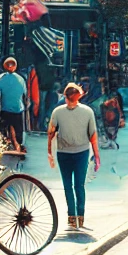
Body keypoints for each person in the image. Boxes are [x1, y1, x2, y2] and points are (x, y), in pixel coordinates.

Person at [47, 81, 100, 230]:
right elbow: (93, 136)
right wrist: (96, 156)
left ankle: (72, 217)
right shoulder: (87, 111)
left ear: (65, 96)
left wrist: (49, 152)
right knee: (79, 186)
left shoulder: (57, 112)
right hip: (81, 153)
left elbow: (50, 134)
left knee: (68, 186)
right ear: (79, 96)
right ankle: (79, 217)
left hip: (64, 153)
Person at [0, 56, 27, 154]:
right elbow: (25, 95)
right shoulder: (21, 79)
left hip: (5, 108)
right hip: (18, 108)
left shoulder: (0, 79)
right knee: (18, 128)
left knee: (4, 126)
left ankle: (4, 143)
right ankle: (19, 144)